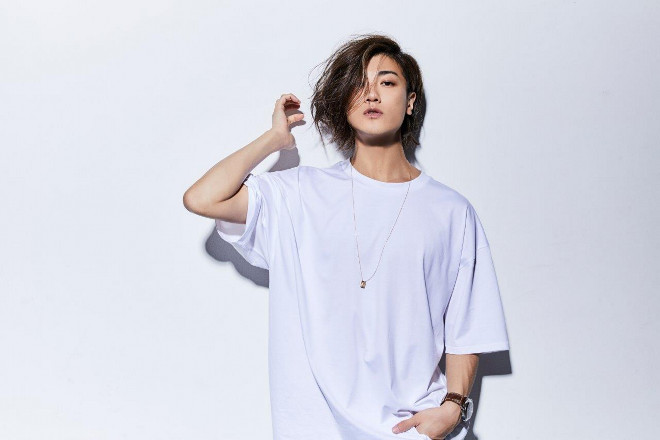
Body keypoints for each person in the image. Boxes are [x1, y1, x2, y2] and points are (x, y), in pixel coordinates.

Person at [183, 33, 510, 440]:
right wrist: (274, 140)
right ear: (344, 100)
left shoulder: (451, 211)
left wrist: (453, 407)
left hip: (412, 428)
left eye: (386, 82)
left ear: (410, 102)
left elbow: (467, 325)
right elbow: (202, 198)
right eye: (359, 84)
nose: (372, 94)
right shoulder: (300, 194)